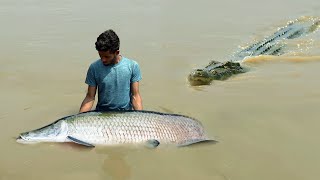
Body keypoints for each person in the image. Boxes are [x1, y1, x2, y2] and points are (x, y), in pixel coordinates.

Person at [79, 29, 143, 113]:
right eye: (100, 56)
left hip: (125, 114)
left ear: (116, 52)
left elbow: (135, 96)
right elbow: (90, 97)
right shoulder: (94, 68)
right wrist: (79, 117)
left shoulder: (132, 66)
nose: (103, 60)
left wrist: (140, 116)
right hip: (102, 113)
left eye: (107, 56)